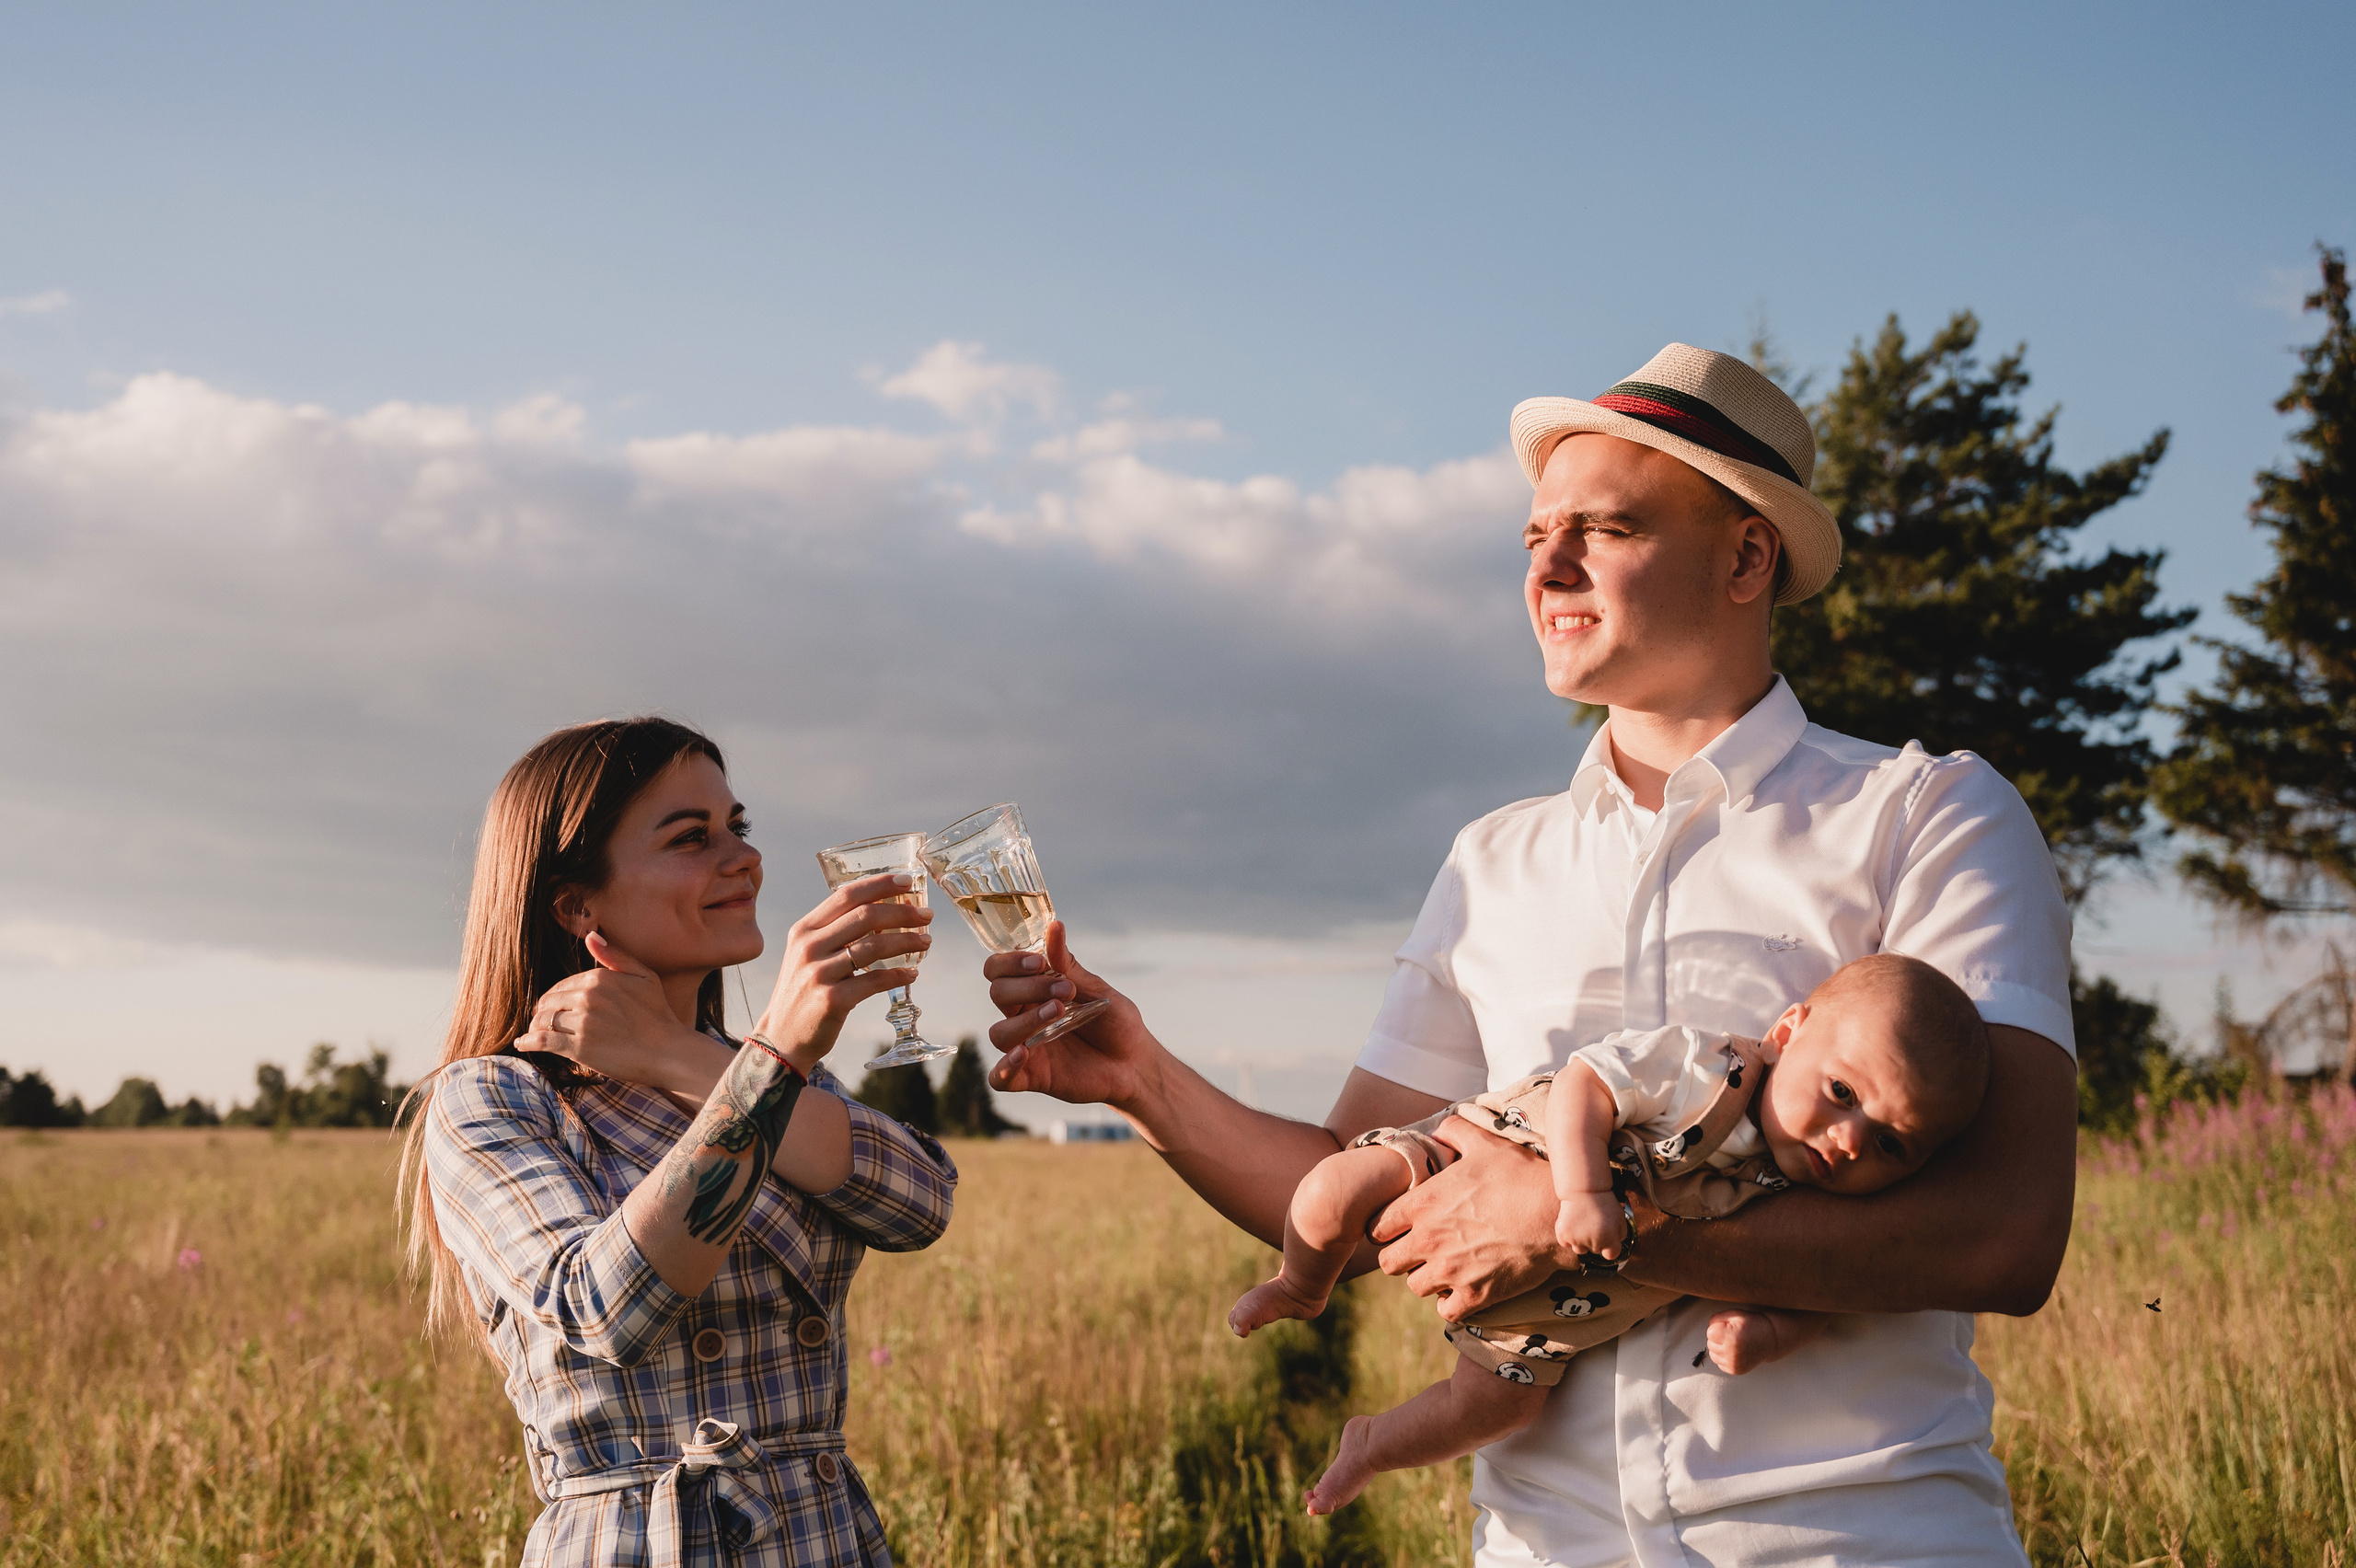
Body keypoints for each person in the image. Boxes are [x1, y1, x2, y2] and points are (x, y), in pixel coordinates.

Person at [978, 344, 2077, 1565]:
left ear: (1746, 556)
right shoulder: (1492, 863)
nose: (1547, 566)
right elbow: (1354, 1181)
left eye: (1604, 527)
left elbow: (2008, 1236)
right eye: (1534, 535)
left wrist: (1580, 1221)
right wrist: (1143, 1079)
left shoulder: (1930, 815)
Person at [402, 718, 956, 1567]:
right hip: (642, 1542)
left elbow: (920, 1202)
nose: (744, 858)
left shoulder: (744, 1070)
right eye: (691, 838)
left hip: (824, 1537)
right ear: (576, 903)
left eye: (737, 826)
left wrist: (684, 1054)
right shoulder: (496, 1097)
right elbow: (606, 1307)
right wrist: (772, 1061)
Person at [1227, 953, 1992, 1515]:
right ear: (1788, 1033)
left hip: (1548, 1320)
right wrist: (1584, 1188)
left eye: (1892, 1144)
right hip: (1467, 1159)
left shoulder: (1814, 1207)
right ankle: (1300, 1282)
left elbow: (1821, 1288)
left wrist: (1767, 1334)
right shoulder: (1707, 1069)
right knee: (1332, 1192)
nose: (1851, 1142)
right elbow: (1586, 1083)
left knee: (1495, 1409)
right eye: (1843, 1092)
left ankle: (1371, 1447)